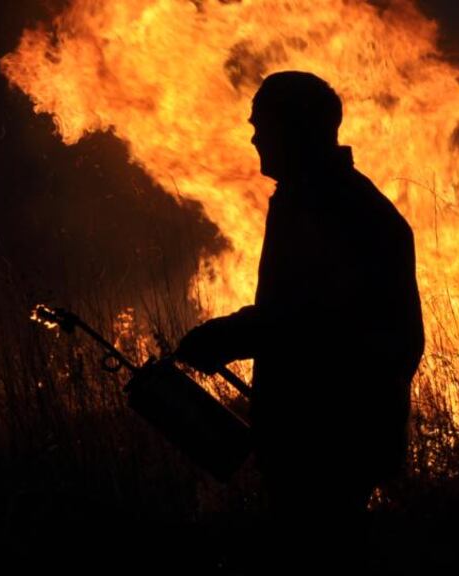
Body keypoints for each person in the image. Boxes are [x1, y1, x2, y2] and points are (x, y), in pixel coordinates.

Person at [176, 71, 425, 521]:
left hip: (331, 437)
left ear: (296, 129)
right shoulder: (320, 199)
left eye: (262, 126)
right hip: (327, 434)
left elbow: (309, 318)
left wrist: (224, 338)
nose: (254, 138)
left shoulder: (336, 209)